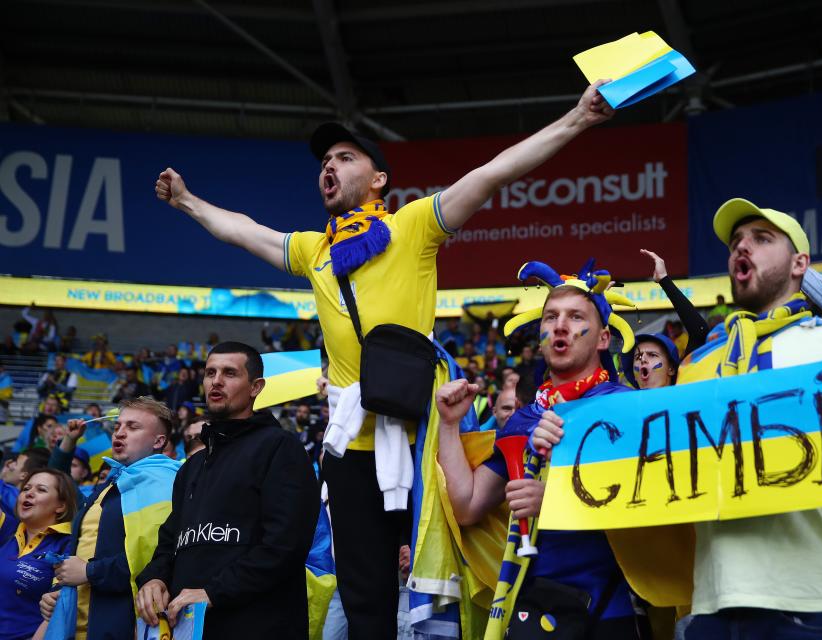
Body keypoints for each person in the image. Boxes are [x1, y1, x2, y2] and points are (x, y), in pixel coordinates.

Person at [154, 81, 613, 638]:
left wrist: (577, 118)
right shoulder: (312, 249)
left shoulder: (413, 226)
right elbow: (244, 232)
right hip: (349, 453)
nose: (329, 167)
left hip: (420, 438)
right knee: (363, 596)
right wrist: (185, 202)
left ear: (378, 180)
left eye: (345, 158)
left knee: (434, 582)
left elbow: (493, 173)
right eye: (324, 161)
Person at [628, 198, 822, 639]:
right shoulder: (698, 365)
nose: (742, 247)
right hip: (712, 611)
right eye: (736, 241)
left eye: (761, 239)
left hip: (821, 606)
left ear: (800, 263)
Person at [436, 259, 655, 638]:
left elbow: (649, 503)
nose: (560, 326)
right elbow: (467, 505)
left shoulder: (627, 407)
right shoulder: (522, 420)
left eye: (574, 316)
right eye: (551, 317)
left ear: (603, 338)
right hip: (536, 614)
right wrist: (449, 424)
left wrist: (553, 502)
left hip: (609, 614)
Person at [135, 342, 320, 638]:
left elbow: (285, 545)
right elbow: (172, 541)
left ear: (256, 387)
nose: (216, 380)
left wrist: (214, 592)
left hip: (258, 626)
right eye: (210, 372)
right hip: (189, 627)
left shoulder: (280, 447)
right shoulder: (192, 467)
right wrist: (155, 578)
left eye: (230, 373)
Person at [41, 397, 179, 640]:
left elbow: (154, 560)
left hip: (123, 626)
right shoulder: (112, 483)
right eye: (118, 426)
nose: (121, 433)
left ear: (159, 441)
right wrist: (58, 590)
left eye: (133, 427)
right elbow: (82, 546)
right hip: (80, 625)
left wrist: (90, 572)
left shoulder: (165, 483)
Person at [0, 468, 76, 640]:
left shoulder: (68, 544)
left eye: (41, 490)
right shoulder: (8, 530)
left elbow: (57, 611)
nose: (29, 494)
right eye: (26, 489)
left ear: (61, 506)